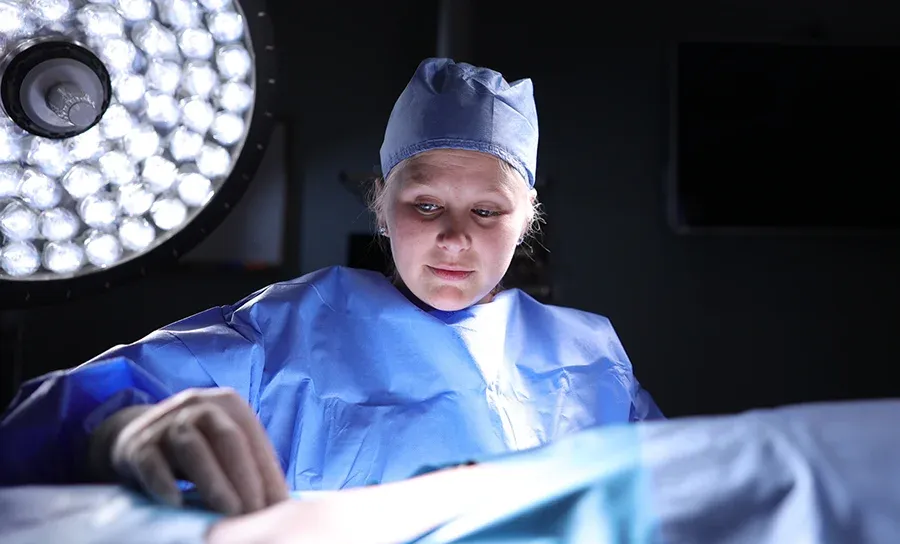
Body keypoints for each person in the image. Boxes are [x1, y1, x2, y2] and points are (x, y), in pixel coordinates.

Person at [0, 57, 663, 515]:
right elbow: (50, 419)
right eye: (426, 205)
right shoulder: (284, 332)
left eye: (487, 212)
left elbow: (680, 501)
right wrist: (115, 434)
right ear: (381, 205)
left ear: (527, 220)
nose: (455, 237)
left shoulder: (591, 358)